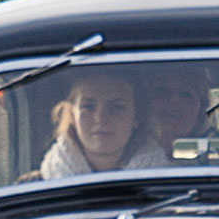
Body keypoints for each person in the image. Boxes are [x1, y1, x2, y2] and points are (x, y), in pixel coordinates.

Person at [34, 71, 169, 181]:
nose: (101, 118)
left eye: (117, 107)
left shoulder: (170, 186)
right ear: (72, 117)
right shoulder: (33, 187)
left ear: (137, 118)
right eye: (88, 107)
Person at [142, 66, 219, 157]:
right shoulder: (128, 151)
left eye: (185, 94)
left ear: (201, 108)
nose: (172, 101)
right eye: (161, 92)